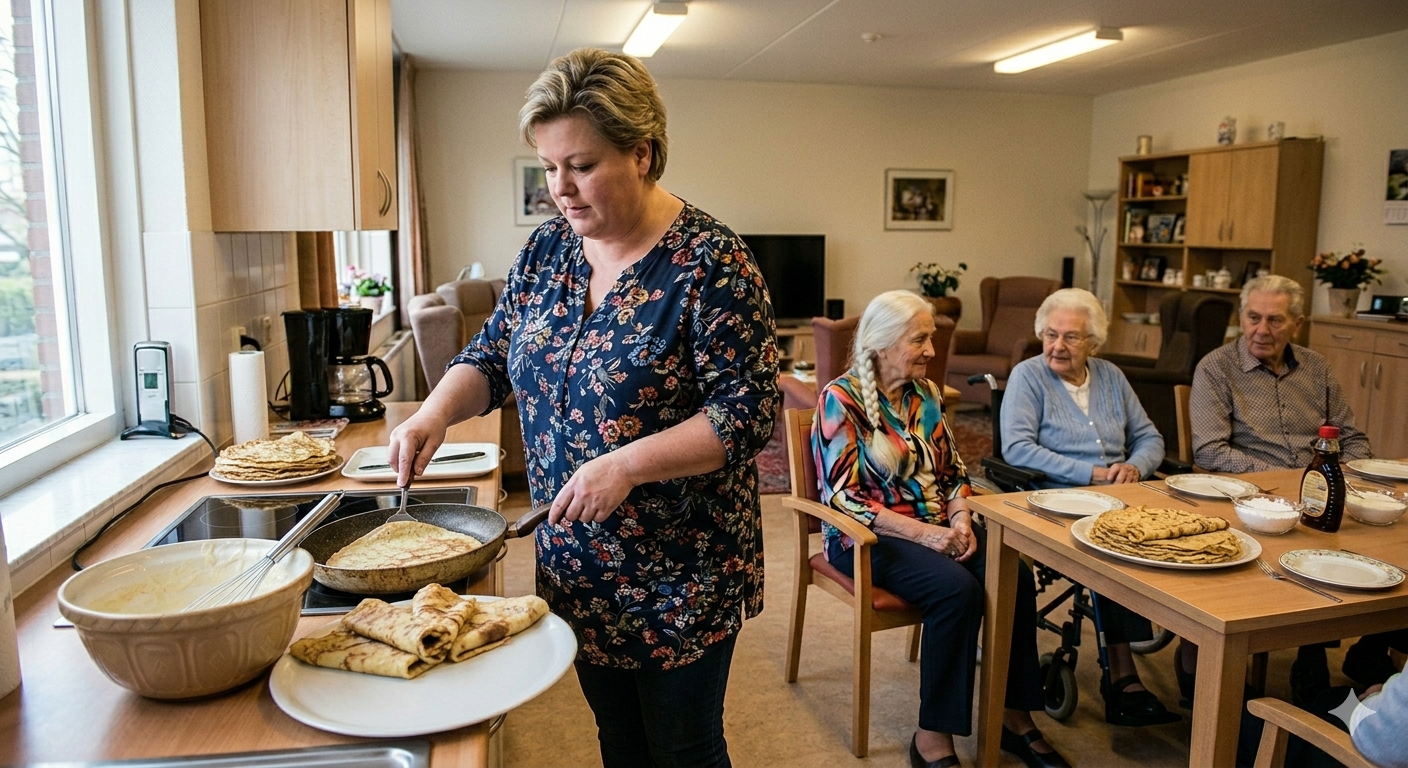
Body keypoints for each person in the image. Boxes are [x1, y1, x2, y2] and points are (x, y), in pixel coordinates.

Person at [388, 48, 778, 768]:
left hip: (679, 570)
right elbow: (491, 356)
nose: (559, 189)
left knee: (684, 750)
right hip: (575, 560)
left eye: (581, 165)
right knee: (619, 743)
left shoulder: (713, 265)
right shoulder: (548, 252)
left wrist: (626, 465)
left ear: (643, 153)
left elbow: (748, 413)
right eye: (548, 165)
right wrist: (432, 414)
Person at [813, 290, 1070, 768]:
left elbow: (954, 474)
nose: (933, 351)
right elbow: (843, 498)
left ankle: (1016, 718)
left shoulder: (927, 396)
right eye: (920, 340)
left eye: (931, 338)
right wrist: (927, 536)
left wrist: (961, 521)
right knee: (957, 591)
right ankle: (932, 737)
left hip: (938, 525)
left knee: (1012, 571)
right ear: (883, 345)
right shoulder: (839, 400)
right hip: (865, 538)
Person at [1189, 274, 1403, 705]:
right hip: (1255, 497)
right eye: (1253, 318)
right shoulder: (1217, 367)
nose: (1262, 330)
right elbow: (1210, 451)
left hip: (1319, 491)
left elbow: (1352, 438)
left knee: (1392, 549)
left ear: (1297, 324)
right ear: (1241, 316)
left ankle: (1368, 650)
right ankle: (1308, 658)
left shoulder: (1317, 368)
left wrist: (1347, 474)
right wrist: (1293, 478)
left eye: (1275, 320)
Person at [1000, 288, 1181, 728]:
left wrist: (1134, 468)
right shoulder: (1028, 377)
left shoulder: (1112, 376)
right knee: (1114, 549)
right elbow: (1017, 448)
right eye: (1050, 335)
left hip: (1124, 496)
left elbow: (1151, 438)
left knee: (1170, 539)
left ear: (1094, 343)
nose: (1057, 347)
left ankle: (1189, 657)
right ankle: (1122, 676)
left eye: (1071, 338)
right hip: (1056, 500)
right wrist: (1095, 474)